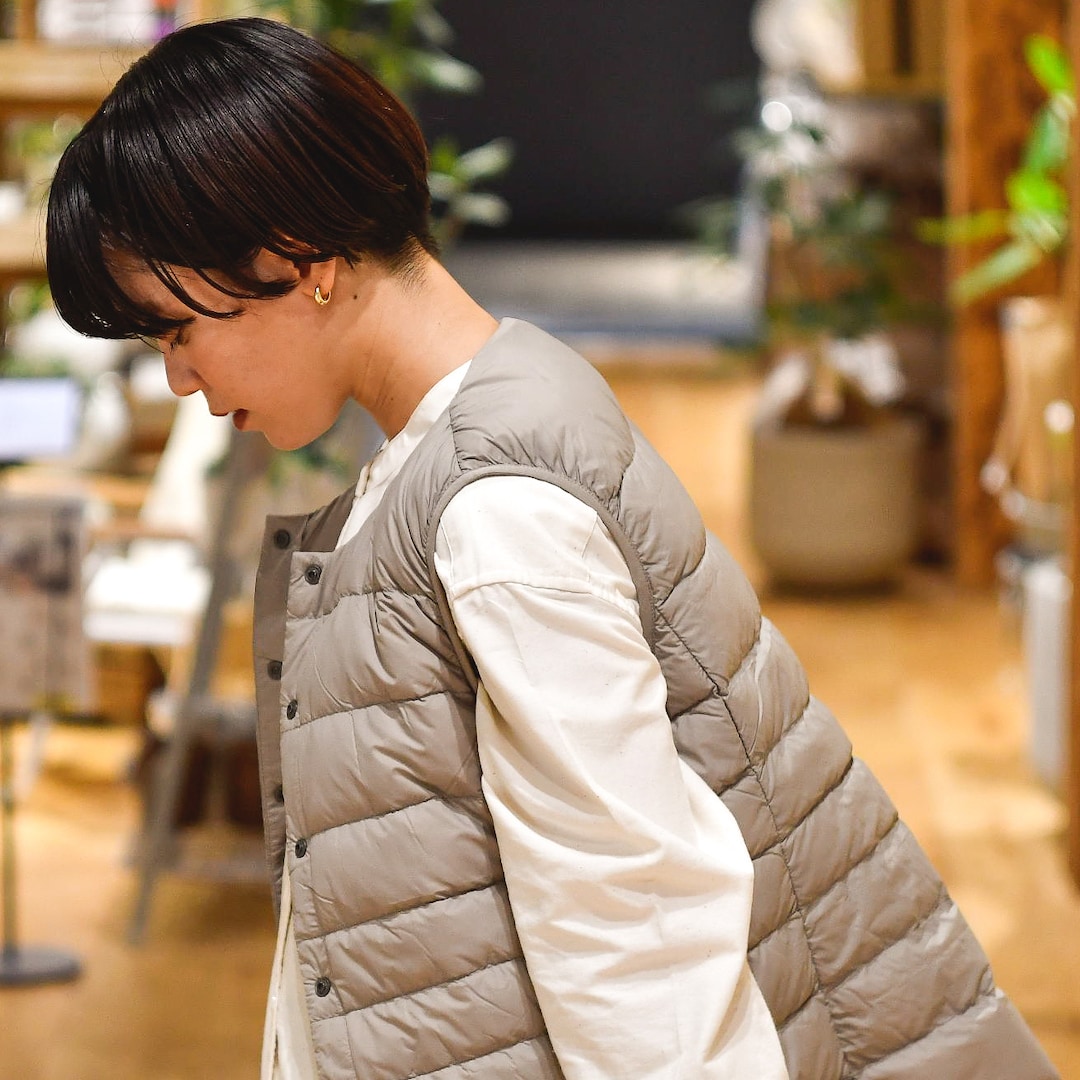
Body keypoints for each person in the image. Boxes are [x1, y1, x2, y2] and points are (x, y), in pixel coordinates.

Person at [46, 17, 1058, 1080]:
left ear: (294, 256)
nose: (180, 377)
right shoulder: (490, 425)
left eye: (177, 329)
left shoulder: (496, 512)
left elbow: (641, 962)